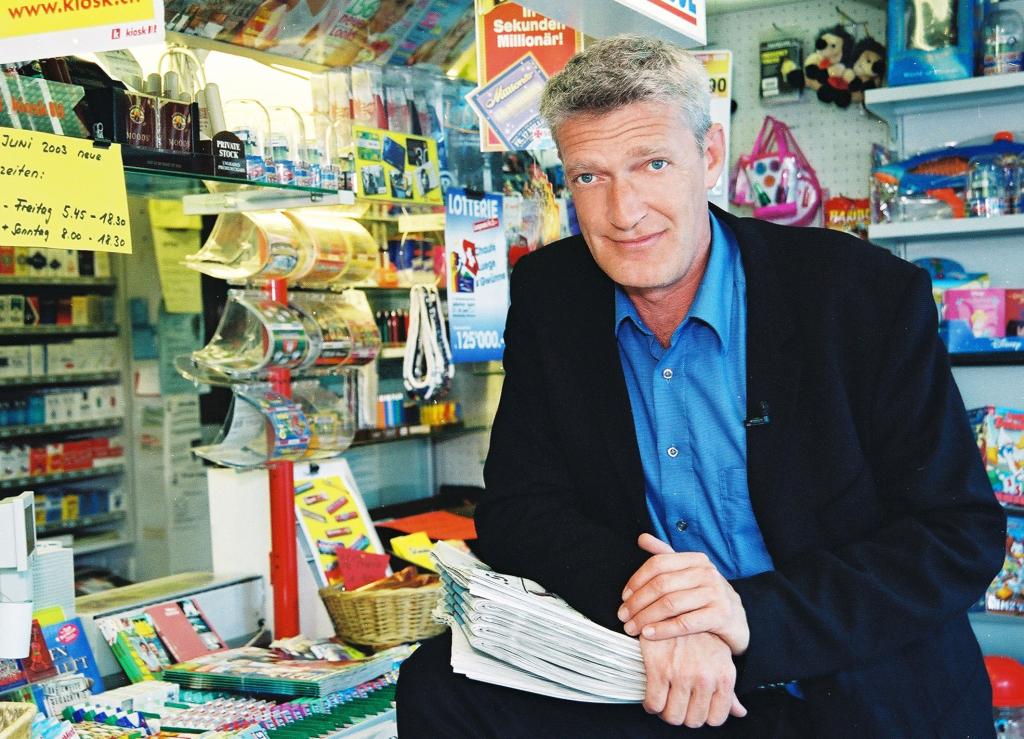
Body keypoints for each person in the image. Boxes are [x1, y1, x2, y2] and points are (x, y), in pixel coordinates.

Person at [396, 34, 1006, 737]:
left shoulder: (861, 295)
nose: (625, 212)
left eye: (652, 164)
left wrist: (747, 616)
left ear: (709, 156)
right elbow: (520, 508)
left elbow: (958, 533)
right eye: (590, 177)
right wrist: (660, 605)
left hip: (841, 680)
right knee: (436, 685)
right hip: (654, 676)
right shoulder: (551, 294)